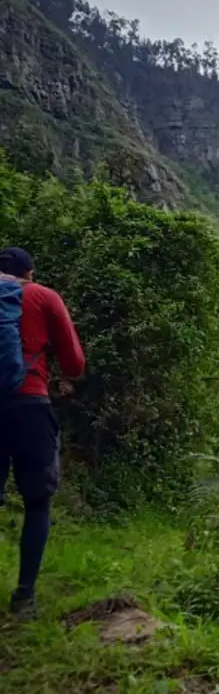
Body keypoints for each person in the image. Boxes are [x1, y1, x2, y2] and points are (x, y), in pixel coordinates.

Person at [0, 247, 85, 619]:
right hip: (30, 406)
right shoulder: (43, 296)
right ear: (28, 273)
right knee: (37, 501)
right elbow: (75, 363)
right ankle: (24, 598)